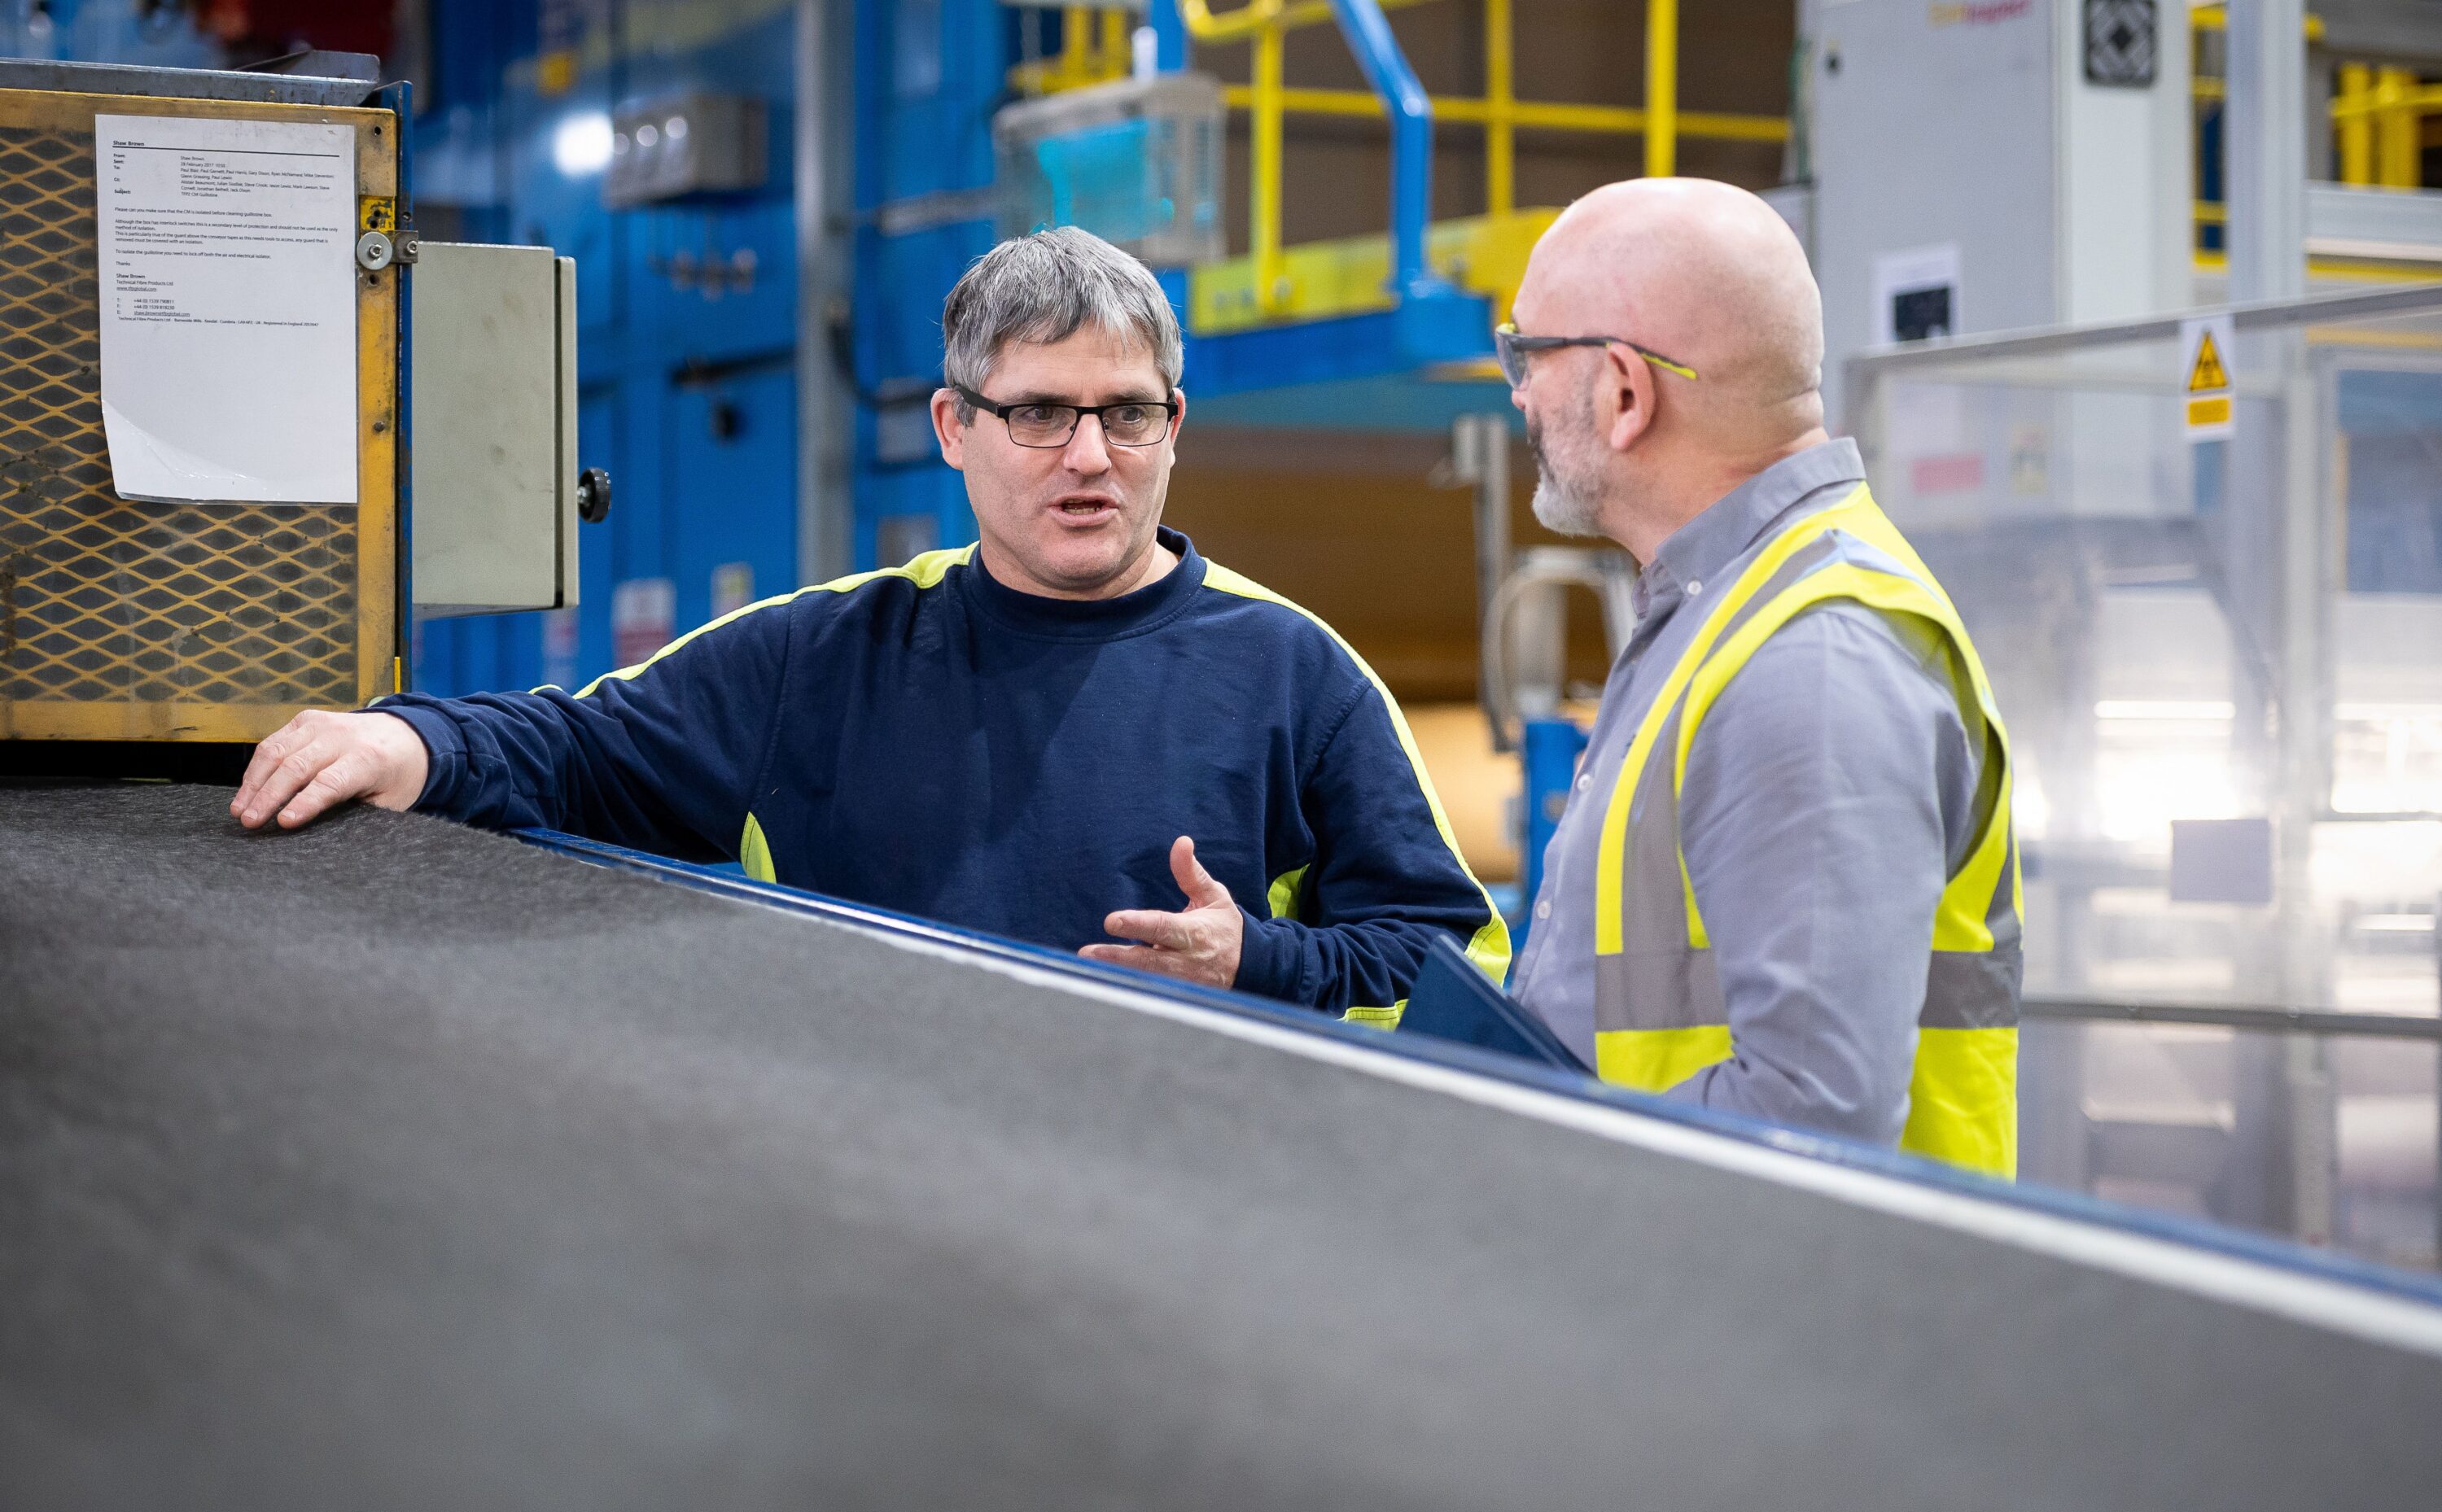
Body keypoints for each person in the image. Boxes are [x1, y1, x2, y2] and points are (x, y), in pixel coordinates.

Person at [230, 227, 1508, 1020]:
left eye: (1127, 414)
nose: (1090, 456)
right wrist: (410, 742)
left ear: (1174, 426)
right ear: (955, 428)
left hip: (1191, 1223)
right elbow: (575, 753)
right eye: (1039, 414)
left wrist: (1260, 965)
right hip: (877, 1195)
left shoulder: (1296, 674)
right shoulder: (823, 656)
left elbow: (1454, 974)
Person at [1501, 178, 2020, 1174]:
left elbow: (1810, 1114)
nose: (1519, 392)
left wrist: (1535, 1157)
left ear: (1623, 391)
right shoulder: (1722, 610)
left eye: (1529, 354)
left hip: (1754, 1273)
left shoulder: (1810, 660)